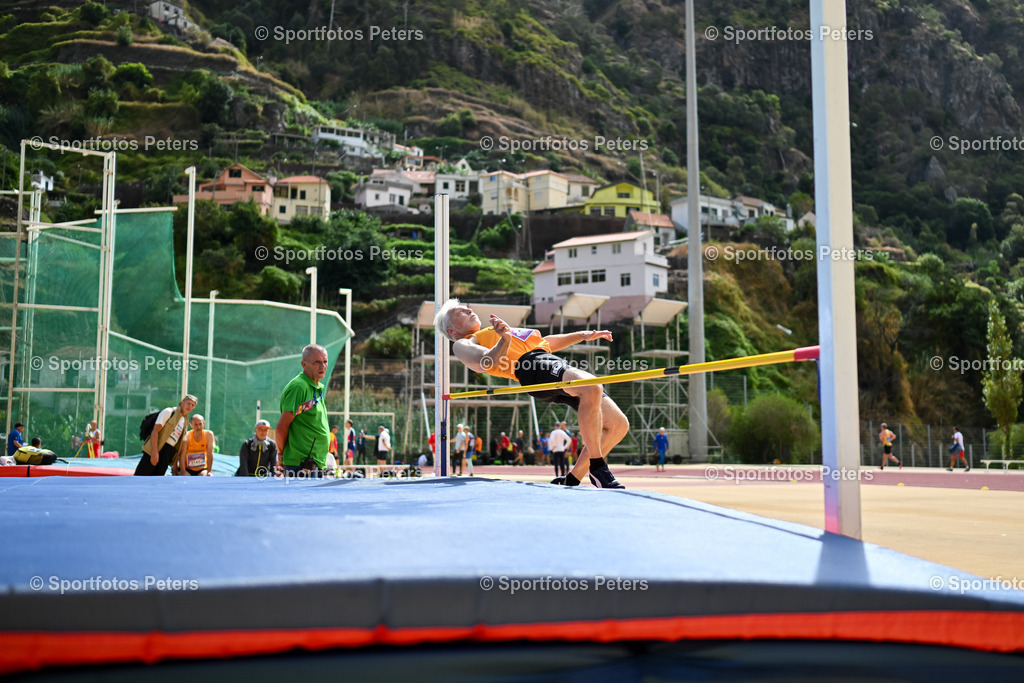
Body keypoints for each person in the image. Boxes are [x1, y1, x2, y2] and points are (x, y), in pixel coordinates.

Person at [436, 298, 628, 488]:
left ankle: (573, 478)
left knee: (619, 425)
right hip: (532, 367)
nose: (469, 310)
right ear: (451, 330)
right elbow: (487, 362)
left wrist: (582, 336)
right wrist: (505, 339)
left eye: (468, 308)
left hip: (547, 360)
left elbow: (543, 343)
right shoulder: (464, 343)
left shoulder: (496, 331)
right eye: (461, 311)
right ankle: (597, 466)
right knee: (591, 386)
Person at [275, 344, 331, 477]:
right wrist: (281, 457)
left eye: (325, 361)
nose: (322, 366)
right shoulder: (299, 387)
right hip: (301, 464)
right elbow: (281, 427)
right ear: (304, 364)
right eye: (317, 362)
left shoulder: (314, 387)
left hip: (314, 463)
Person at [135, 396, 196, 476]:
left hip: (168, 453)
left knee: (158, 480)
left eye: (192, 405)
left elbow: (178, 443)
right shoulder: (169, 412)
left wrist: (174, 464)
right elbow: (155, 431)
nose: (190, 406)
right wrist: (154, 451)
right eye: (188, 403)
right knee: (141, 477)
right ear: (182, 403)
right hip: (156, 448)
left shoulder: (185, 422)